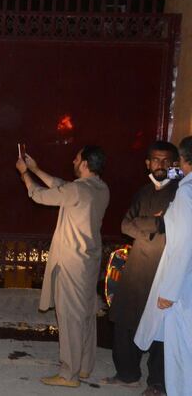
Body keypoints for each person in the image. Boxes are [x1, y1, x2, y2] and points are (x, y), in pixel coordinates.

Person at [16, 146, 110, 387]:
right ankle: (84, 367)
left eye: (77, 158)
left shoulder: (78, 190)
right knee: (87, 314)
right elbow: (61, 186)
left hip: (71, 262)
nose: (73, 160)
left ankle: (69, 374)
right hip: (88, 260)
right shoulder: (100, 188)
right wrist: (36, 168)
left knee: (70, 318)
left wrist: (25, 174)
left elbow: (38, 195)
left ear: (86, 163)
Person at [102, 141, 179, 394]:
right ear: (147, 163)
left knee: (162, 325)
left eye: (166, 161)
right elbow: (126, 225)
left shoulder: (181, 193)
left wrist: (152, 225)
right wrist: (152, 225)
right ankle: (127, 373)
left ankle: (157, 383)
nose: (161, 165)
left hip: (163, 267)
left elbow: (169, 225)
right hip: (138, 267)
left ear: (174, 164)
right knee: (125, 318)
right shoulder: (143, 192)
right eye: (156, 160)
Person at [135, 136, 192, 396]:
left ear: (183, 160)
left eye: (176, 160)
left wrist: (168, 291)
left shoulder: (186, 191)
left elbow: (183, 245)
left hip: (183, 287)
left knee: (181, 351)